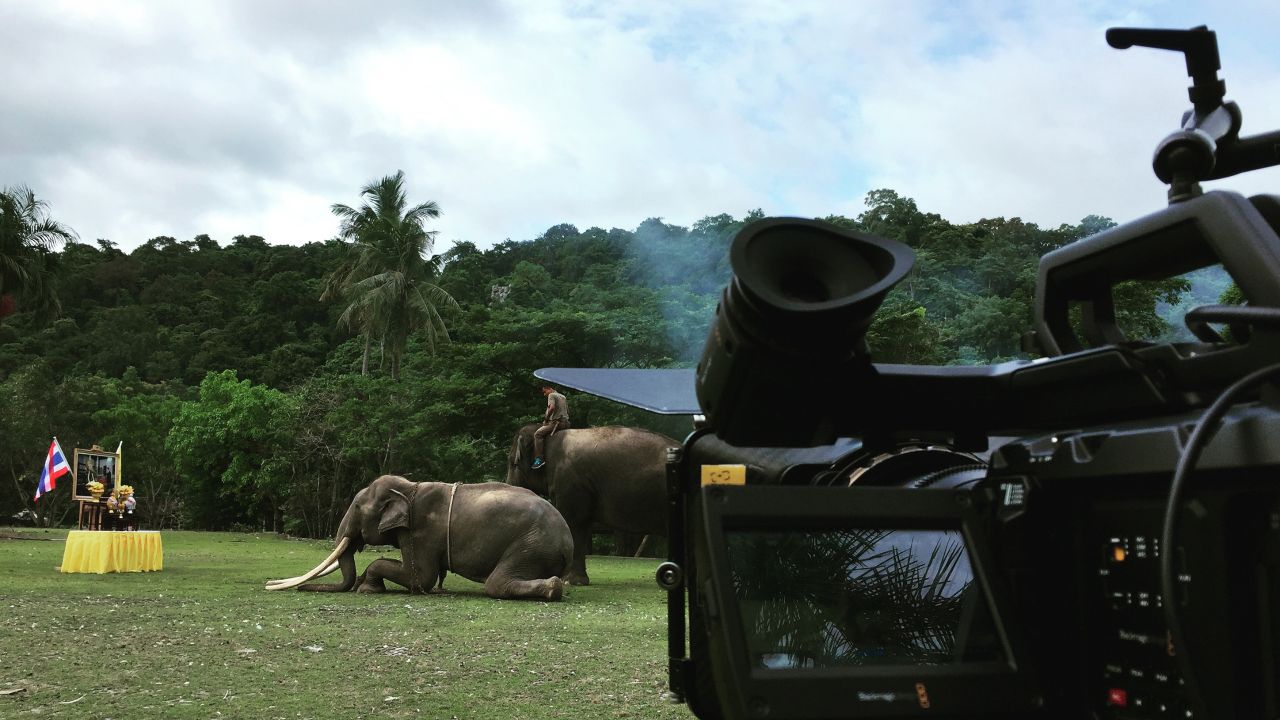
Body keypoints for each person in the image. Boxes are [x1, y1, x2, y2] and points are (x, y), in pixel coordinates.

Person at [531, 385, 570, 469]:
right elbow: (567, 410)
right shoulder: (563, 396)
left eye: (545, 391)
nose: (544, 394)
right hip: (566, 423)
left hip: (557, 423)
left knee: (537, 434)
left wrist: (546, 419)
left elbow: (551, 408)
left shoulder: (551, 395)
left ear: (550, 388)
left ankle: (539, 459)